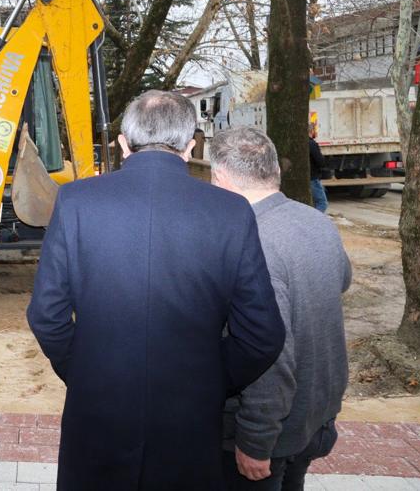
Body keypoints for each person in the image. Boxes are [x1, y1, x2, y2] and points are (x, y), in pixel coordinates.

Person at [27, 90, 285, 491]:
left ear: (123, 145)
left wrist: (84, 371)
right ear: (190, 146)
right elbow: (263, 335)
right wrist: (210, 378)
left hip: (96, 409)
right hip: (189, 417)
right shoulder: (231, 212)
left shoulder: (77, 201)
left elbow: (47, 315)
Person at [210, 127, 351, 491]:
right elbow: (340, 282)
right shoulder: (318, 222)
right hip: (313, 416)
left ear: (221, 177)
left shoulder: (251, 242)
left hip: (269, 434)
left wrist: (256, 441)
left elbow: (272, 356)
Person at [308, 124, 328, 213]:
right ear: (311, 131)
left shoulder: (299, 144)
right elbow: (320, 161)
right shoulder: (312, 143)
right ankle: (315, 220)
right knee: (322, 203)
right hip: (313, 177)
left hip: (306, 177)